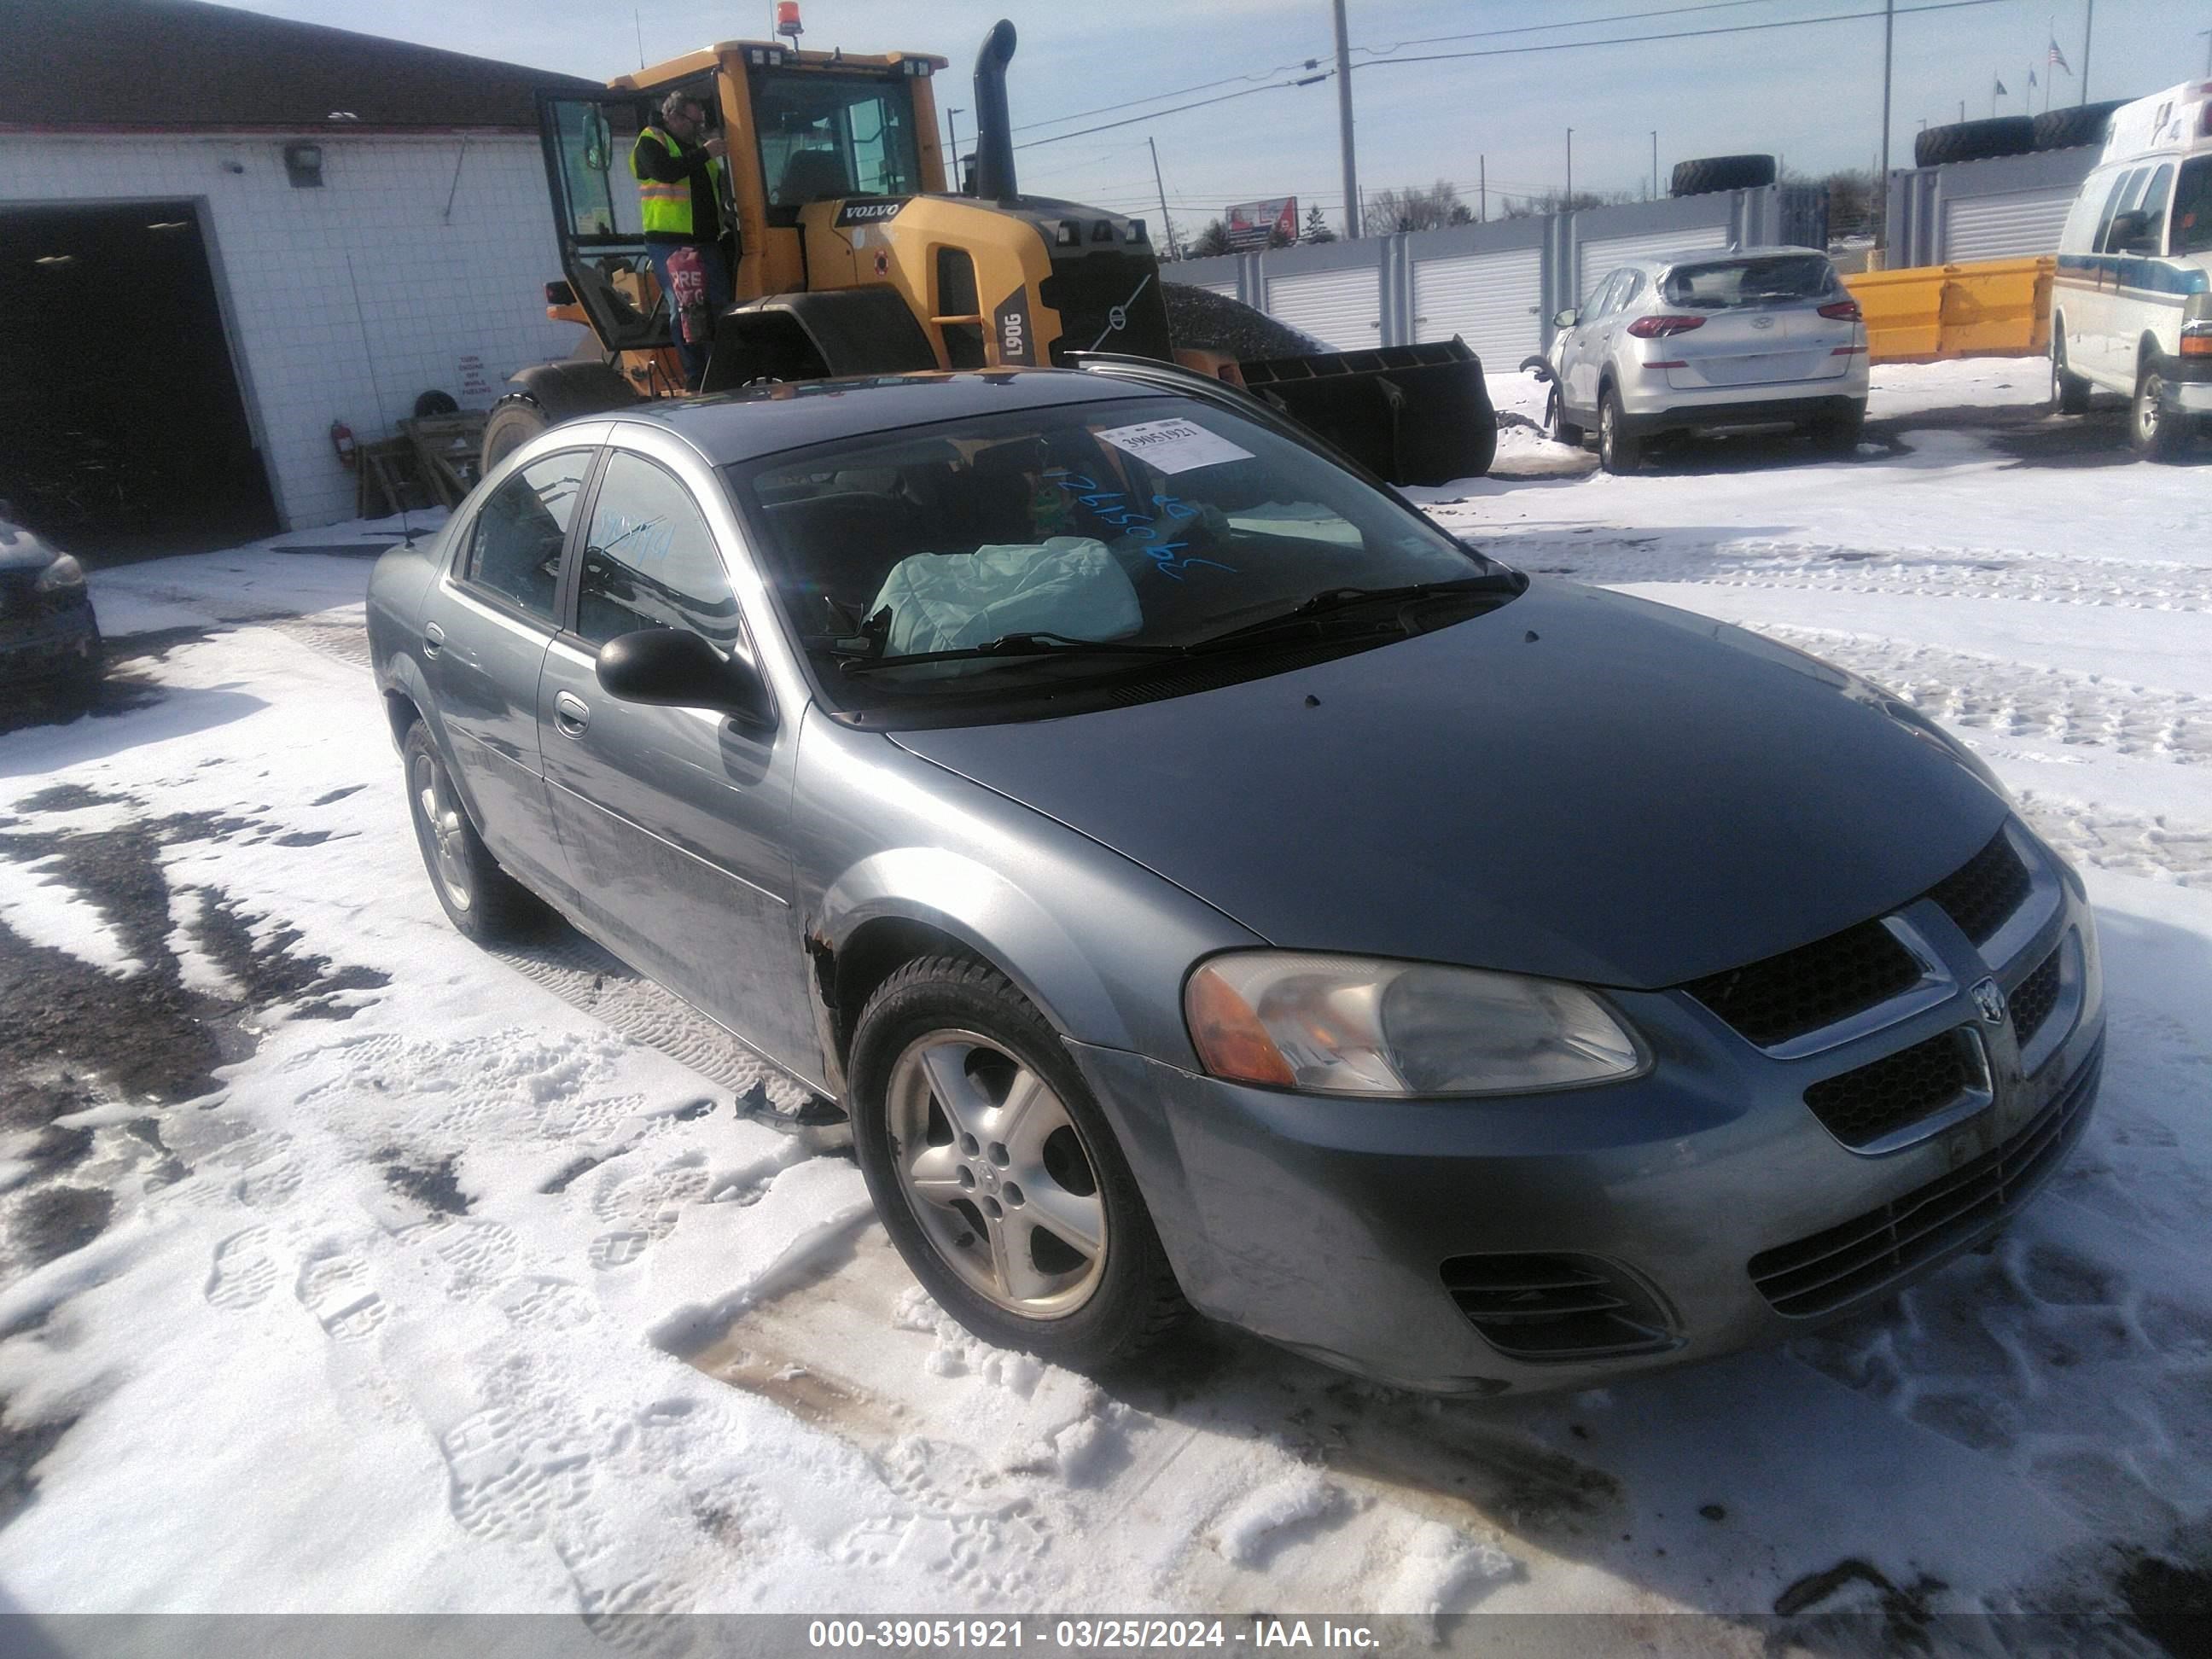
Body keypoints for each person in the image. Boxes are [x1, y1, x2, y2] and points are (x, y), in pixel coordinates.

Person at [632, 91, 733, 390]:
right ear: (673, 117)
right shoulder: (651, 141)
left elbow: (715, 188)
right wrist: (705, 153)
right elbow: (666, 172)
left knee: (719, 304)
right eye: (693, 121)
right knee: (685, 306)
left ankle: (721, 368)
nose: (698, 127)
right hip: (669, 242)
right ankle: (695, 376)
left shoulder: (699, 146)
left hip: (707, 239)